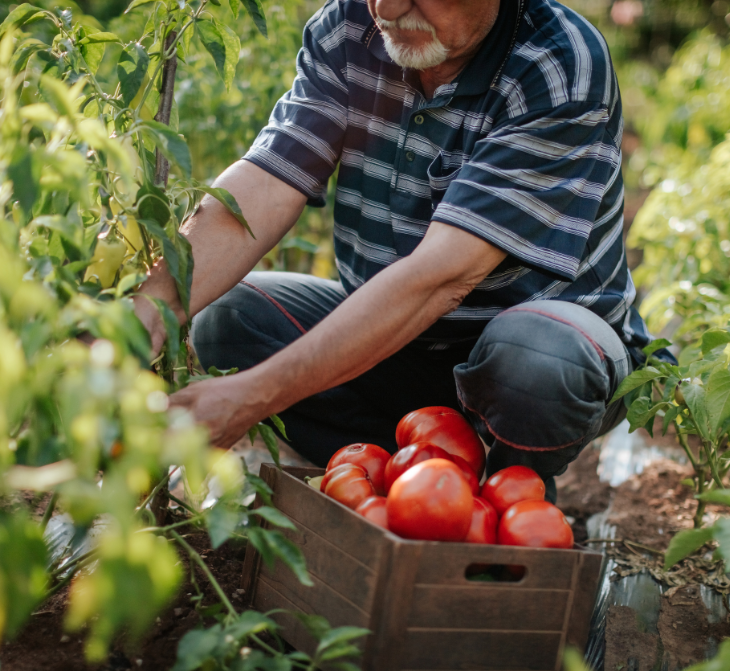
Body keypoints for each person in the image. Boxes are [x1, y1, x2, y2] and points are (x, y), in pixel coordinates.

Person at [133, 0, 674, 502]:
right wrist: (143, 315)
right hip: (394, 345)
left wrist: (256, 395)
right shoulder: (352, 26)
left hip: (525, 356)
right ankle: (403, 479)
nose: (387, 9)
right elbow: (270, 180)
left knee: (539, 364)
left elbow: (443, 276)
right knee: (232, 319)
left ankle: (506, 496)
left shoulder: (557, 62)